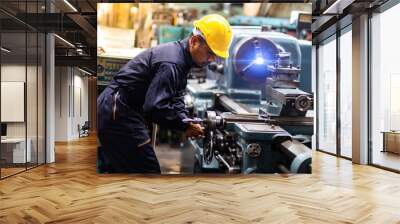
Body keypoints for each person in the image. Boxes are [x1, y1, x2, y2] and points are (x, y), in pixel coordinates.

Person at [97, 14, 232, 173]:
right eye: (210, 53)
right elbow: (155, 107)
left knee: (121, 168)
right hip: (117, 110)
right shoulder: (172, 63)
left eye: (215, 56)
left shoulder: (182, 59)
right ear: (194, 41)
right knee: (148, 170)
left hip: (123, 108)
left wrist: (185, 120)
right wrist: (184, 125)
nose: (212, 59)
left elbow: (177, 96)